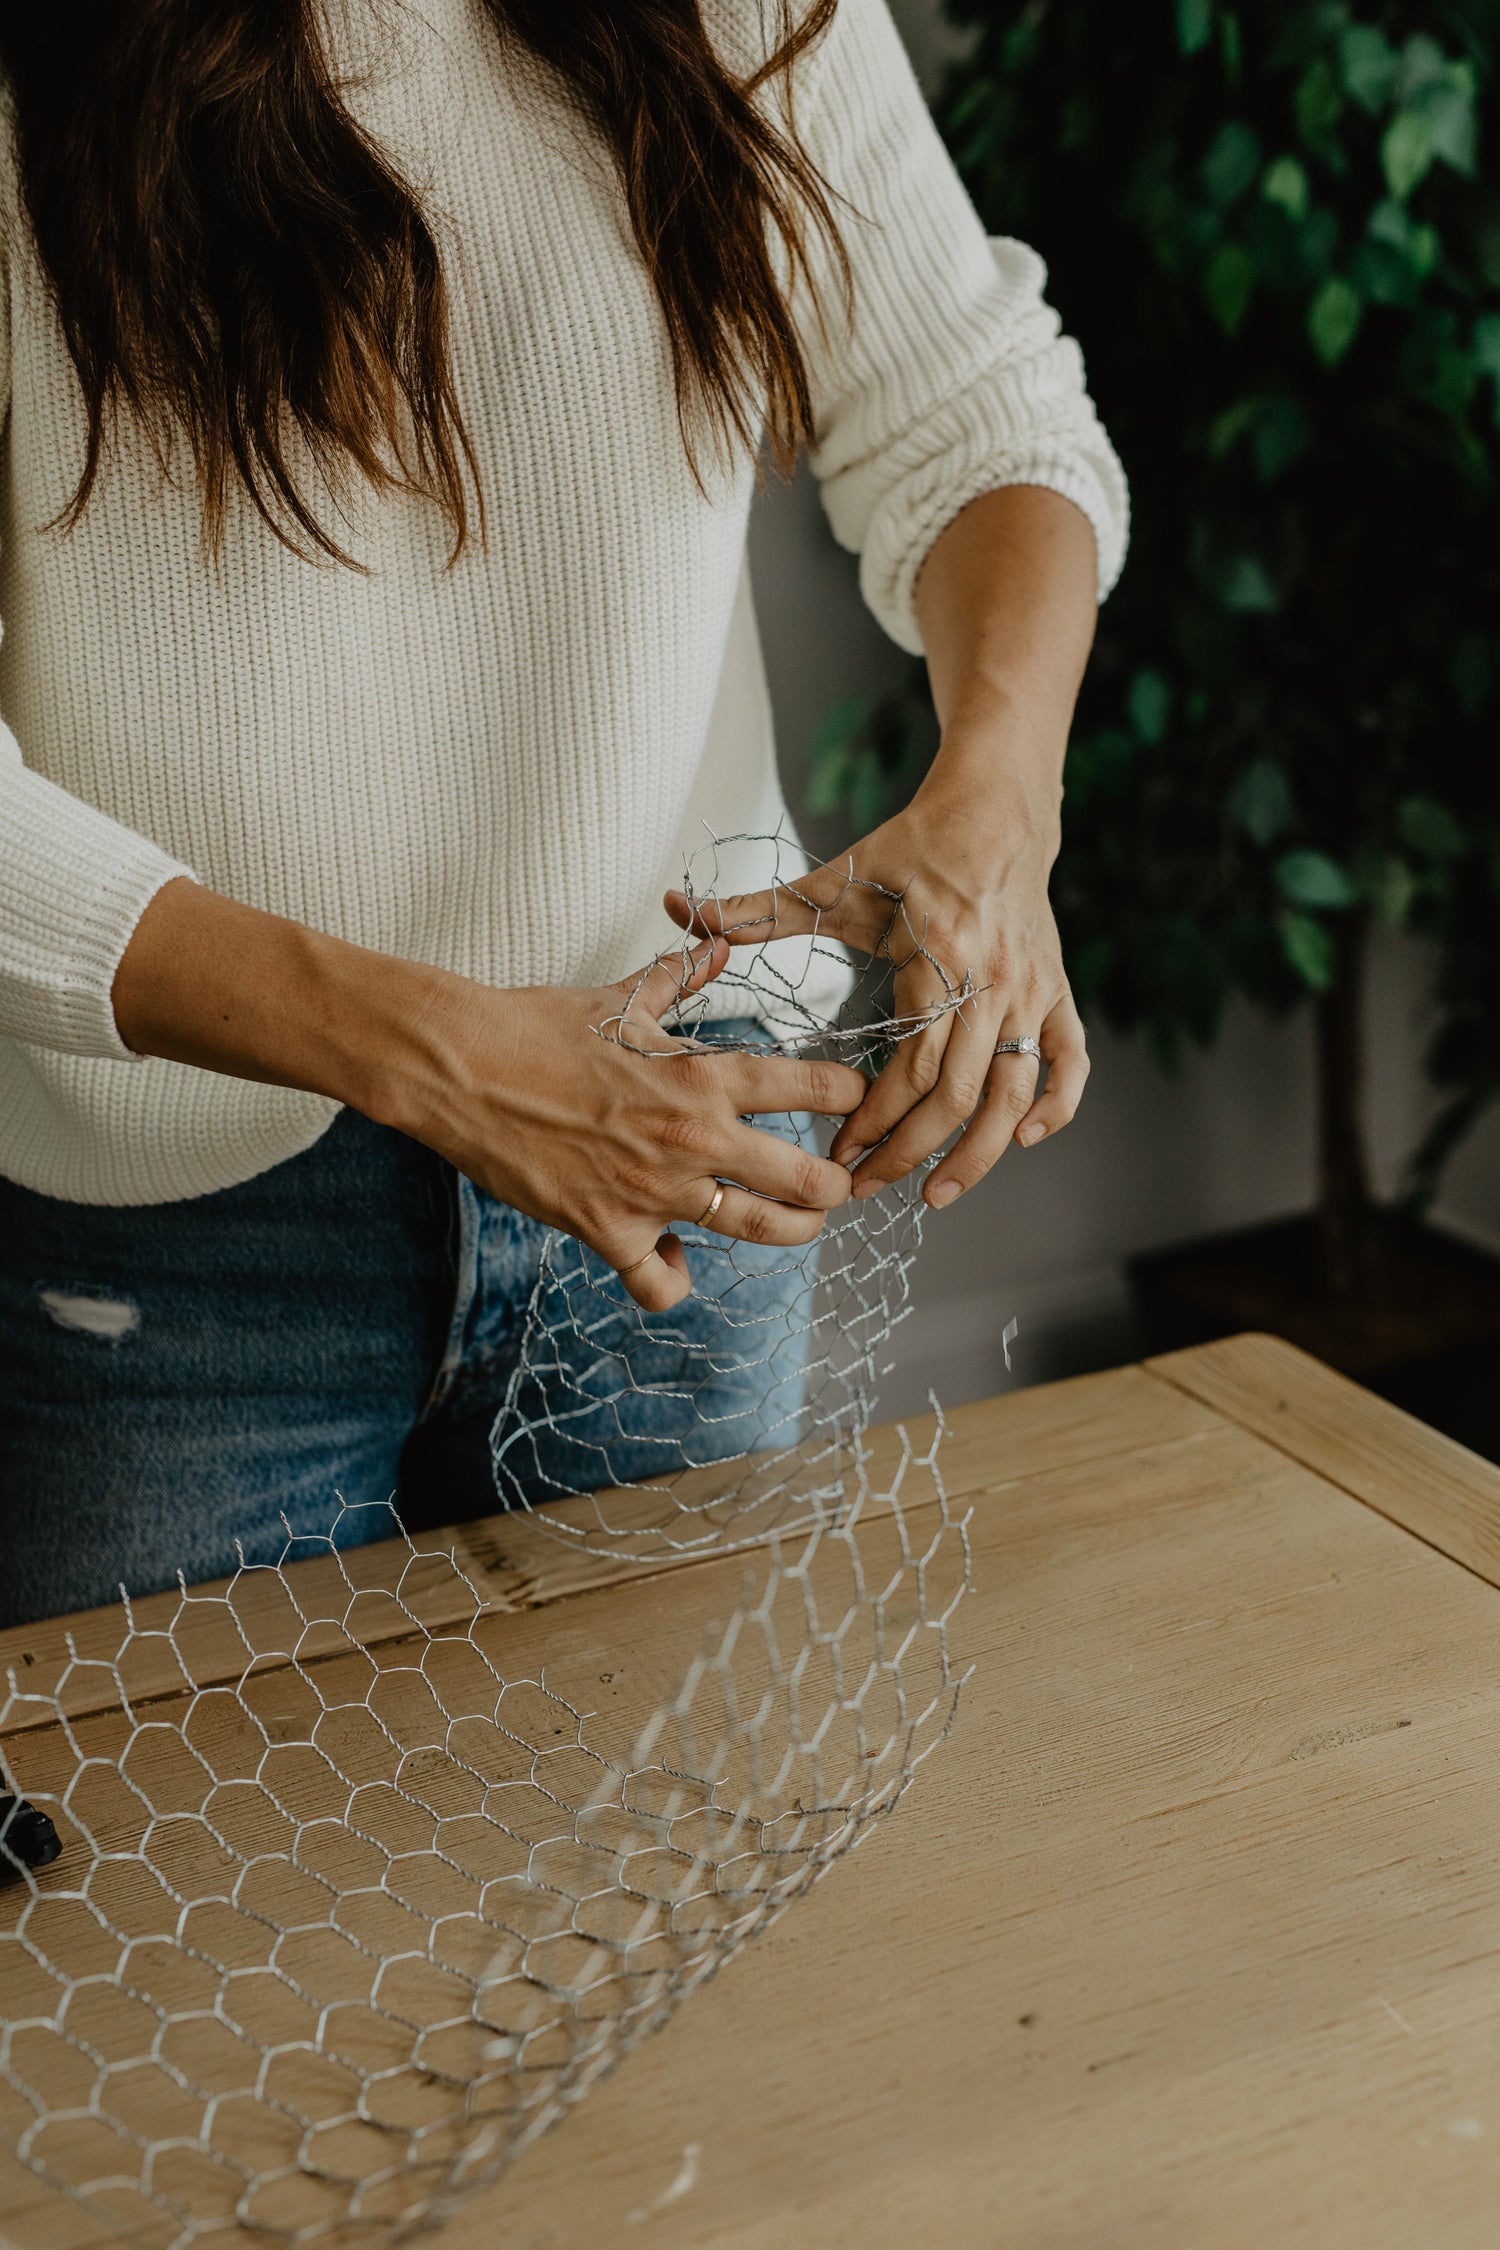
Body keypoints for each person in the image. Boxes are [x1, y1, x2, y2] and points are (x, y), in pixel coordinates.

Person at [0, 0, 1126, 1629]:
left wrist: (1001, 803)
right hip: (180, 1258)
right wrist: (436, 1054)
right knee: (214, 1881)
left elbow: (979, 414)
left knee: (660, 1867)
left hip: (686, 1173)